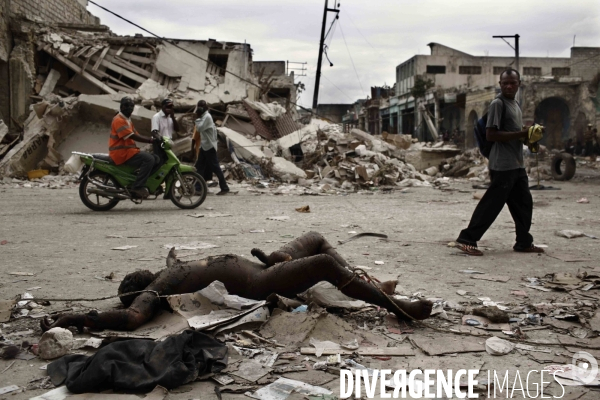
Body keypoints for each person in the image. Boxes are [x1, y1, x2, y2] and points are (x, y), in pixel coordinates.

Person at [41, 232, 433, 332]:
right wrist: (76, 318)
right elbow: (130, 319)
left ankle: (371, 285)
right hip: (263, 283)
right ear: (141, 291)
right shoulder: (157, 289)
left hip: (264, 267)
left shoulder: (169, 271)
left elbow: (172, 259)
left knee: (313, 238)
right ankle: (400, 308)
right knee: (323, 261)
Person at [455, 69, 544, 256]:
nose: (509, 86)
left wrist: (528, 137)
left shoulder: (515, 104)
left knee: (524, 204)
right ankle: (467, 239)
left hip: (516, 163)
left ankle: (523, 242)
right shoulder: (498, 104)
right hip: (502, 164)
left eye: (512, 82)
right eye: (505, 83)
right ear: (500, 84)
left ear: (519, 83)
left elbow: (513, 133)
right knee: (491, 204)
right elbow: (491, 134)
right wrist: (522, 134)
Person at [109, 97, 158, 199]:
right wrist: (150, 140)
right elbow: (132, 136)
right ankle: (137, 186)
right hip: (122, 153)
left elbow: (136, 133)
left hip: (128, 152)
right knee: (149, 159)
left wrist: (153, 138)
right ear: (122, 107)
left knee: (156, 158)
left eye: (132, 106)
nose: (130, 108)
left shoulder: (127, 119)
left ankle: (139, 180)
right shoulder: (119, 120)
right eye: (128, 106)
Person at [192, 100, 229, 195]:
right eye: (199, 107)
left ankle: (224, 188)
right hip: (204, 146)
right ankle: (197, 187)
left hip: (209, 146)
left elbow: (199, 128)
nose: (200, 109)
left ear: (205, 107)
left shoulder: (207, 117)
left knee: (216, 168)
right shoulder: (203, 116)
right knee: (199, 167)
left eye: (201, 107)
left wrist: (197, 117)